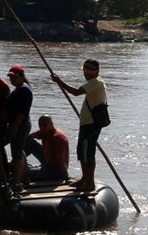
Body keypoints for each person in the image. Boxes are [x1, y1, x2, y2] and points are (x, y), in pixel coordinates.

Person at [50, 59, 108, 192]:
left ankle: (90, 183)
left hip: (91, 124)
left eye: (86, 72)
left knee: (88, 153)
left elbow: (76, 92)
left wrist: (59, 81)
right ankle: (85, 179)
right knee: (82, 152)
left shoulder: (96, 82)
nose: (84, 75)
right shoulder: (94, 82)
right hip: (87, 123)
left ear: (92, 72)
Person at [3, 65, 33, 187]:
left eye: (14, 77)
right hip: (18, 124)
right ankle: (24, 178)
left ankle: (16, 182)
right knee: (19, 150)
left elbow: (21, 112)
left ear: (21, 76)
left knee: (16, 154)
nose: (12, 80)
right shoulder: (20, 88)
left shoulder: (24, 90)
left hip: (20, 125)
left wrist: (14, 127)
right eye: (10, 77)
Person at [25, 115, 71, 182]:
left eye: (44, 125)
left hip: (56, 170)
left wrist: (66, 177)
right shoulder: (44, 132)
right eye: (40, 125)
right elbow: (29, 137)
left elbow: (61, 160)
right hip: (48, 160)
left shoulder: (58, 138)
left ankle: (23, 171)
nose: (42, 127)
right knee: (30, 142)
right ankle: (15, 163)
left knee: (24, 173)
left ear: (51, 124)